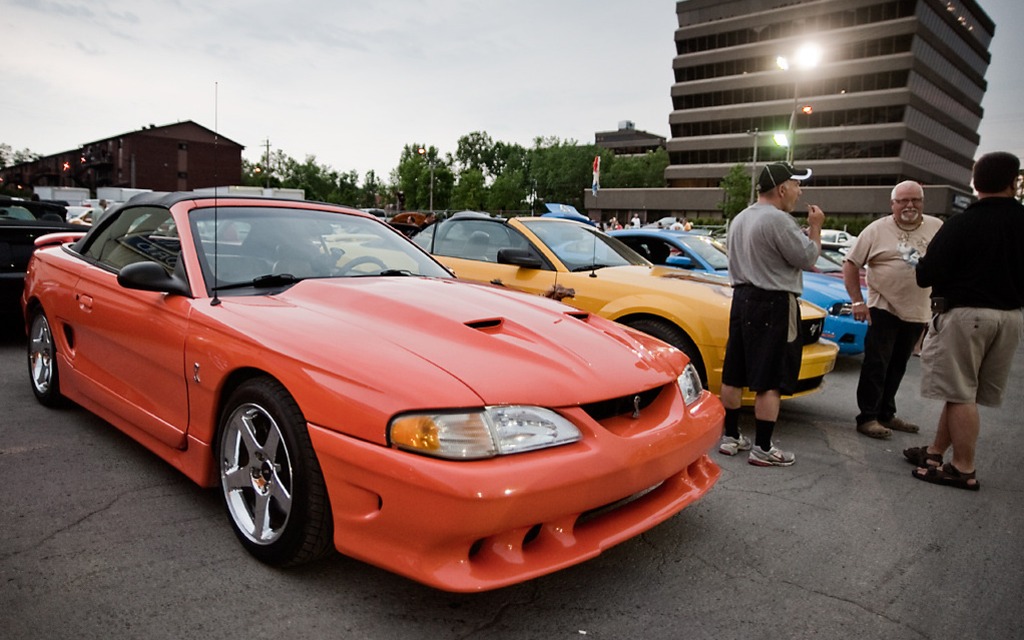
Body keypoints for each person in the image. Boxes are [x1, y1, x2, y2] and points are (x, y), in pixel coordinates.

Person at [907, 151, 1024, 491]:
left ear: (975, 182)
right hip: (1011, 318)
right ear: (1013, 182)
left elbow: (927, 274)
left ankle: (962, 468)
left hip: (966, 315)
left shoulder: (963, 223)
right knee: (964, 392)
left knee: (960, 394)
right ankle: (934, 452)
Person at [719, 161, 825, 467]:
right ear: (781, 189)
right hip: (773, 302)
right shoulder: (778, 220)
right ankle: (763, 447)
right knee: (771, 376)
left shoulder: (740, 218)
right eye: (796, 185)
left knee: (735, 370)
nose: (799, 191)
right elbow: (807, 257)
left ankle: (731, 436)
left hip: (742, 298)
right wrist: (815, 228)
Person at [842, 181, 943, 439]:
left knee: (898, 364)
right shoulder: (877, 230)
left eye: (915, 200)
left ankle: (886, 413)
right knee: (877, 363)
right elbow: (851, 264)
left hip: (918, 310)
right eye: (903, 201)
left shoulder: (937, 227)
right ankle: (868, 417)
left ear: (923, 202)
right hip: (882, 306)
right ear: (893, 204)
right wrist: (857, 301)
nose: (910, 205)